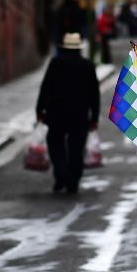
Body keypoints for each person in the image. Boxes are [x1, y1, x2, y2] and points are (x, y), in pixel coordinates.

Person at [36, 33, 100, 194]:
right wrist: (94, 117)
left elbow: (46, 87)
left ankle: (61, 174)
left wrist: (39, 108)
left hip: (56, 113)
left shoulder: (56, 63)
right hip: (79, 115)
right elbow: (94, 94)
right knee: (76, 149)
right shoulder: (87, 65)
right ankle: (73, 182)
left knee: (55, 144)